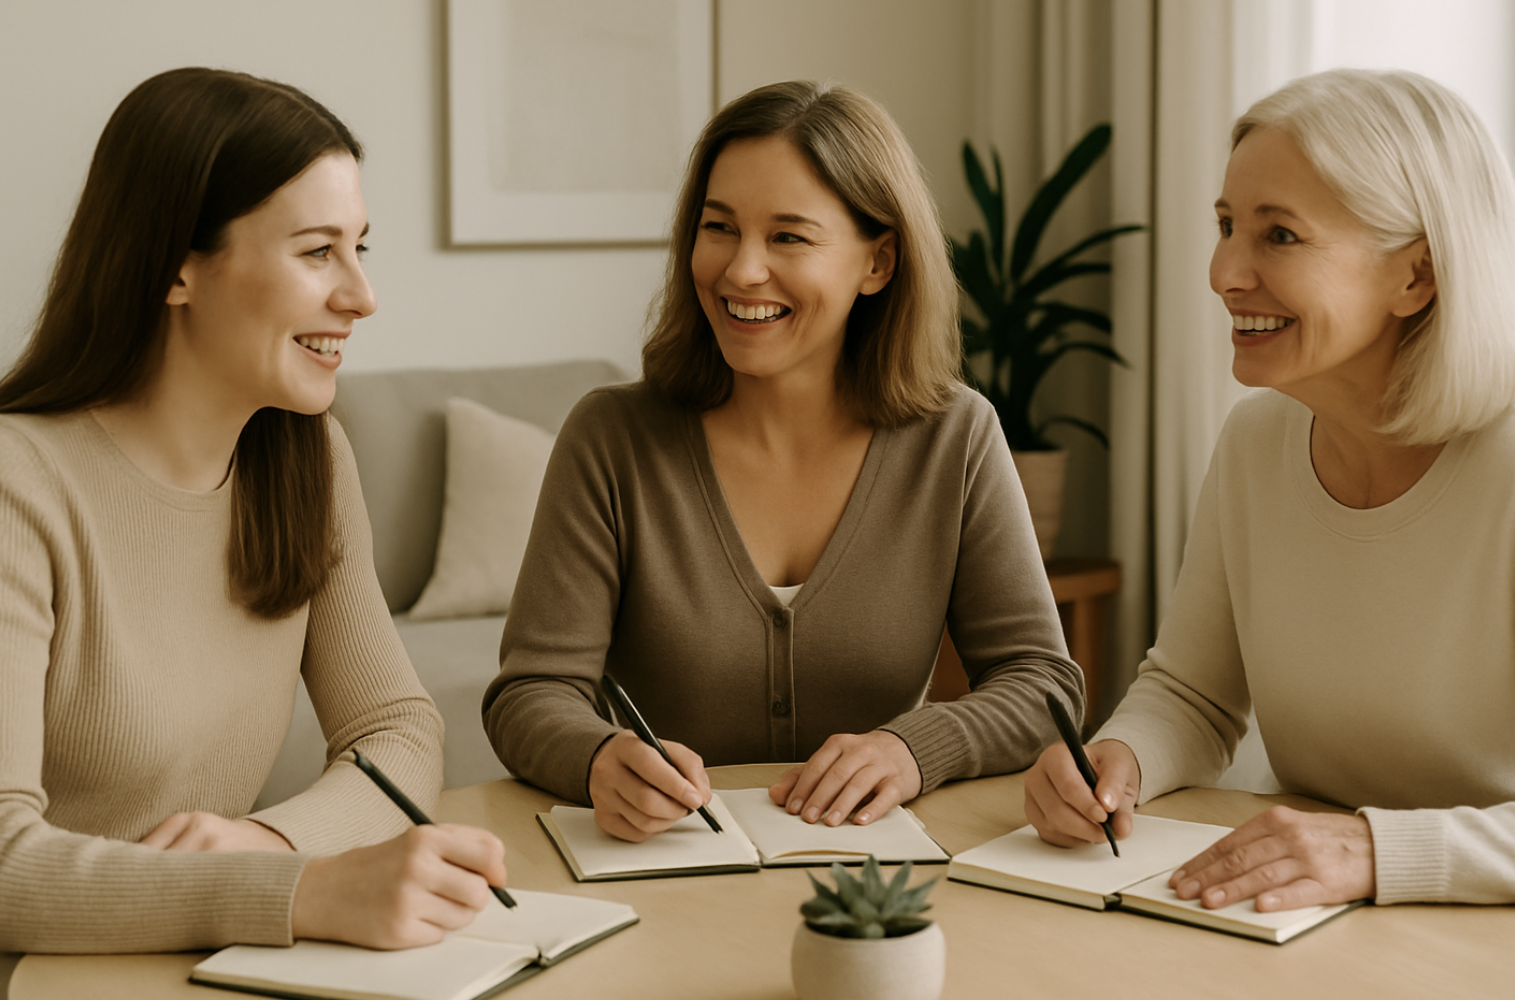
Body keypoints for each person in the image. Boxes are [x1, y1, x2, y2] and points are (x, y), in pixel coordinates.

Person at [1023, 68, 1515, 912]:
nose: (1223, 272)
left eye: (1279, 235)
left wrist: (1379, 852)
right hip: (1316, 928)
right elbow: (1195, 696)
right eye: (1226, 225)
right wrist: (1121, 759)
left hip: (1507, 947)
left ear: (1416, 277)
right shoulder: (1254, 442)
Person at [483, 80, 1083, 842]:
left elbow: (1043, 685)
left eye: (789, 237)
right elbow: (530, 693)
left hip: (883, 888)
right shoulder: (612, 437)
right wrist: (599, 757)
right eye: (719, 228)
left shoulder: (955, 438)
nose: (740, 271)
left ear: (879, 262)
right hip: (665, 873)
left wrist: (910, 750)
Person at [0, 67, 507, 954]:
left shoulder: (306, 457)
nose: (361, 295)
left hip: (201, 961)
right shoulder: (19, 485)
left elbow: (398, 728)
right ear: (174, 269)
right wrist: (294, 890)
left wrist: (275, 841)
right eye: (317, 252)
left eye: (361, 248)